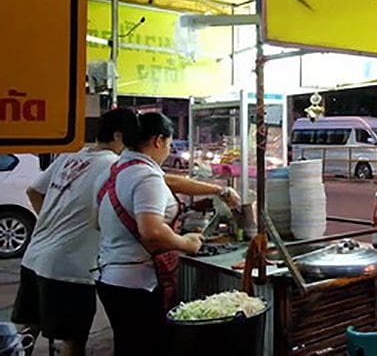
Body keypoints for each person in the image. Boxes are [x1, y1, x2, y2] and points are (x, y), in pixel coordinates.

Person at [94, 112, 238, 355]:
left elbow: (96, 220)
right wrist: (186, 243)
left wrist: (217, 190)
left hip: (109, 277)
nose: (168, 150)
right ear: (159, 140)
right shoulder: (146, 176)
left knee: (127, 346)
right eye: (169, 144)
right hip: (139, 283)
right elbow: (151, 233)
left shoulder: (111, 172)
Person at [12, 108, 140, 356]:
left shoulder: (70, 155)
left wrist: (55, 221)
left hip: (33, 257)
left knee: (28, 331)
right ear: (118, 136)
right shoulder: (113, 165)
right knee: (73, 340)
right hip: (70, 268)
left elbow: (34, 192)